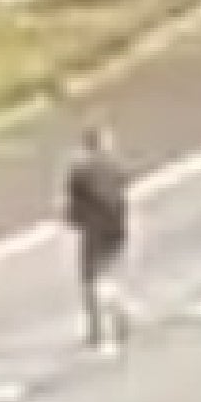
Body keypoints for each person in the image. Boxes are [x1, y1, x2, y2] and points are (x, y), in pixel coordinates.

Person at [62, 126, 132, 351]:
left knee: (92, 281)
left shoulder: (80, 172)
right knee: (109, 274)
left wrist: (73, 220)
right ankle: (118, 314)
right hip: (118, 227)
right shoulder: (115, 166)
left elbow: (73, 204)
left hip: (94, 230)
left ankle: (99, 329)